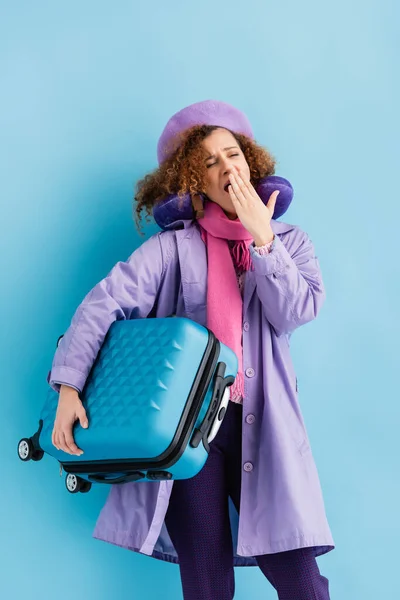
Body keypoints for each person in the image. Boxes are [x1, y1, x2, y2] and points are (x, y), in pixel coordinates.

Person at [48, 100, 335, 600]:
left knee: (301, 581)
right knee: (206, 584)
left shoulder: (291, 242)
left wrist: (264, 240)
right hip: (188, 433)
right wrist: (69, 388)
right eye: (208, 162)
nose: (227, 167)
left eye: (233, 154)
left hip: (262, 425)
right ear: (191, 181)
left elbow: (296, 311)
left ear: (251, 161)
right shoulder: (169, 250)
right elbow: (103, 304)